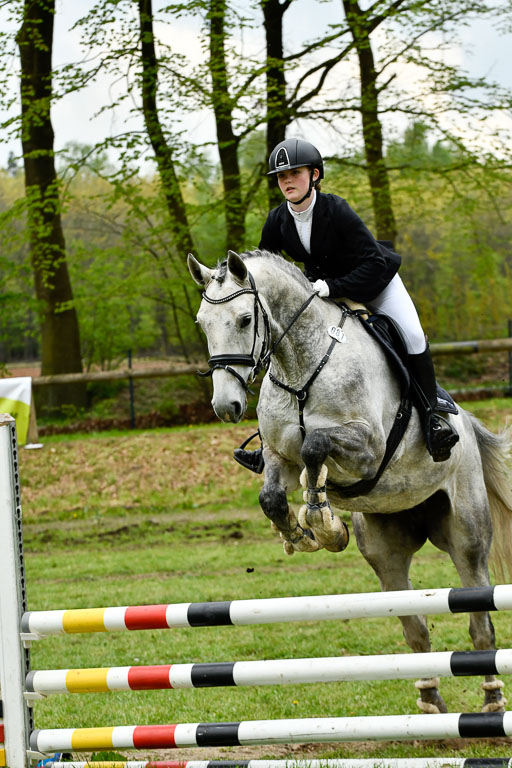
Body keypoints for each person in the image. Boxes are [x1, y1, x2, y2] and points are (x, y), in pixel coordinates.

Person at [234, 137, 459, 472]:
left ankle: (433, 418)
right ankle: (269, 439)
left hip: (374, 282)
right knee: (289, 344)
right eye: (281, 176)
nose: (286, 181)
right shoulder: (277, 220)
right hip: (325, 292)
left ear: (314, 175)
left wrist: (334, 285)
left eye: (294, 173)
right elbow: (264, 268)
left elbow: (374, 263)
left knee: (412, 333)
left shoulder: (336, 210)